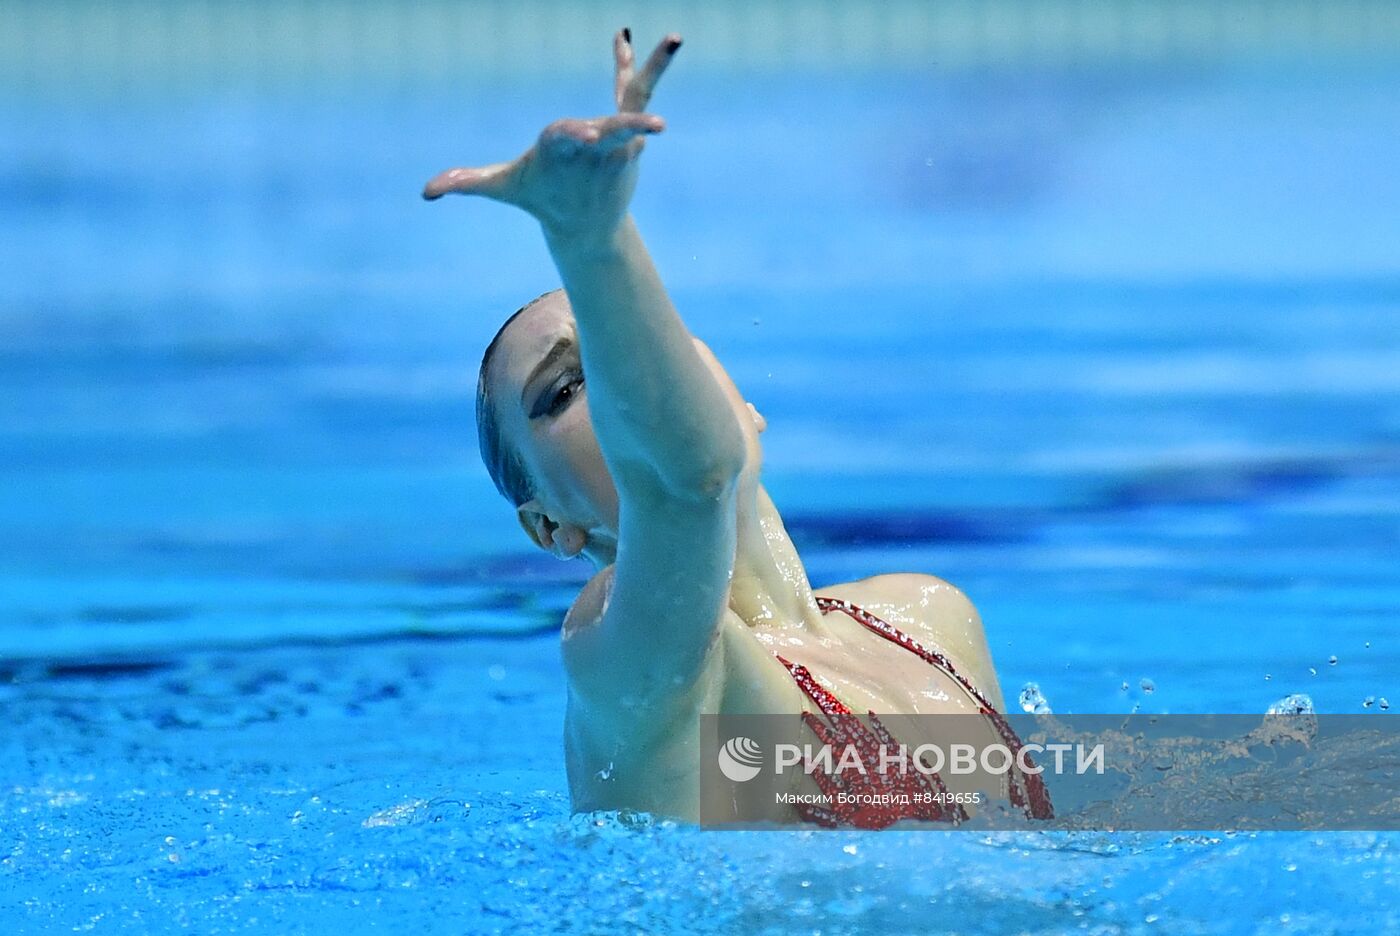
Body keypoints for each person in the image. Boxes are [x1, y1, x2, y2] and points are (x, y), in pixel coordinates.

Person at [423, 30, 1048, 828]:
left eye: (641, 346)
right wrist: (591, 239)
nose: (624, 381)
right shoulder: (623, 660)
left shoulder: (928, 616)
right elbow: (689, 487)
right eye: (569, 386)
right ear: (552, 527)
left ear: (739, 399)